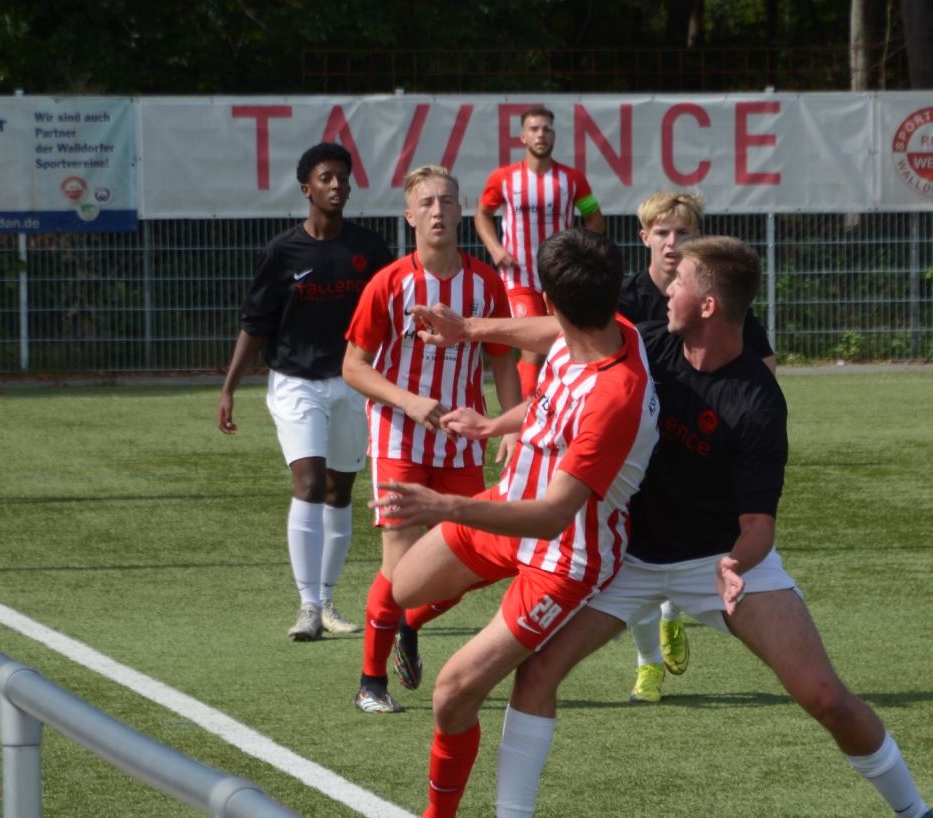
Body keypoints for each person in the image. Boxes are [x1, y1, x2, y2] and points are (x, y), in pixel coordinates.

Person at [408, 235, 933, 818]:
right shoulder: (649, 339)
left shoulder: (757, 403)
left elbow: (759, 523)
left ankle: (916, 810)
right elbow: (564, 333)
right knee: (537, 675)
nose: (667, 287)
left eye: (681, 281)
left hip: (714, 563)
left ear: (708, 305)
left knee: (825, 697)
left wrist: (737, 564)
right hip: (628, 559)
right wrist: (473, 331)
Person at [375, 228, 659, 818]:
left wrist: (443, 505)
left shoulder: (615, 394)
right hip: (511, 505)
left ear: (553, 302)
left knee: (453, 693)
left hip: (563, 557)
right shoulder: (608, 328)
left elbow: (554, 516)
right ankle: (467, 593)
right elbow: (553, 364)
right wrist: (493, 413)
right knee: (403, 585)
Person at [340, 164, 521, 714]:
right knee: (399, 566)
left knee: (469, 565)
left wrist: (513, 425)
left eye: (447, 200)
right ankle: (371, 683)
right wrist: (410, 402)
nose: (438, 210)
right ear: (410, 214)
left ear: (461, 210)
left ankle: (408, 624)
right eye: (427, 202)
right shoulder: (390, 283)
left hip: (463, 441)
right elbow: (353, 366)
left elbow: (504, 361)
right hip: (399, 438)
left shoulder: (485, 285)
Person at [218, 143, 394, 642]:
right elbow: (255, 324)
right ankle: (307, 607)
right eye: (326, 178)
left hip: (354, 382)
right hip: (295, 383)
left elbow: (390, 313)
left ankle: (329, 599)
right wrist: (229, 387)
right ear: (306, 189)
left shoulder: (370, 248)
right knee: (310, 483)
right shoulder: (281, 252)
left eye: (343, 177)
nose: (337, 185)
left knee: (341, 491)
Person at [615, 190, 777, 703]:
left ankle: (673, 612)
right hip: (641, 454)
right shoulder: (626, 299)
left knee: (688, 552)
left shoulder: (722, 301)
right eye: (662, 232)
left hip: (699, 452)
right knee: (635, 559)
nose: (671, 242)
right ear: (644, 237)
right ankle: (648, 662)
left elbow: (763, 375)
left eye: (683, 233)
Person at [473, 105, 605, 402]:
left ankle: (556, 403)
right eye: (534, 129)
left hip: (559, 276)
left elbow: (594, 217)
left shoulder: (573, 179)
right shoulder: (503, 178)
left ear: (554, 135)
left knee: (565, 340)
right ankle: (525, 418)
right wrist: (495, 249)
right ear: (522, 137)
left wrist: (580, 251)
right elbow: (482, 214)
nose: (541, 134)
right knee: (532, 348)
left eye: (546, 129)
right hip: (518, 277)